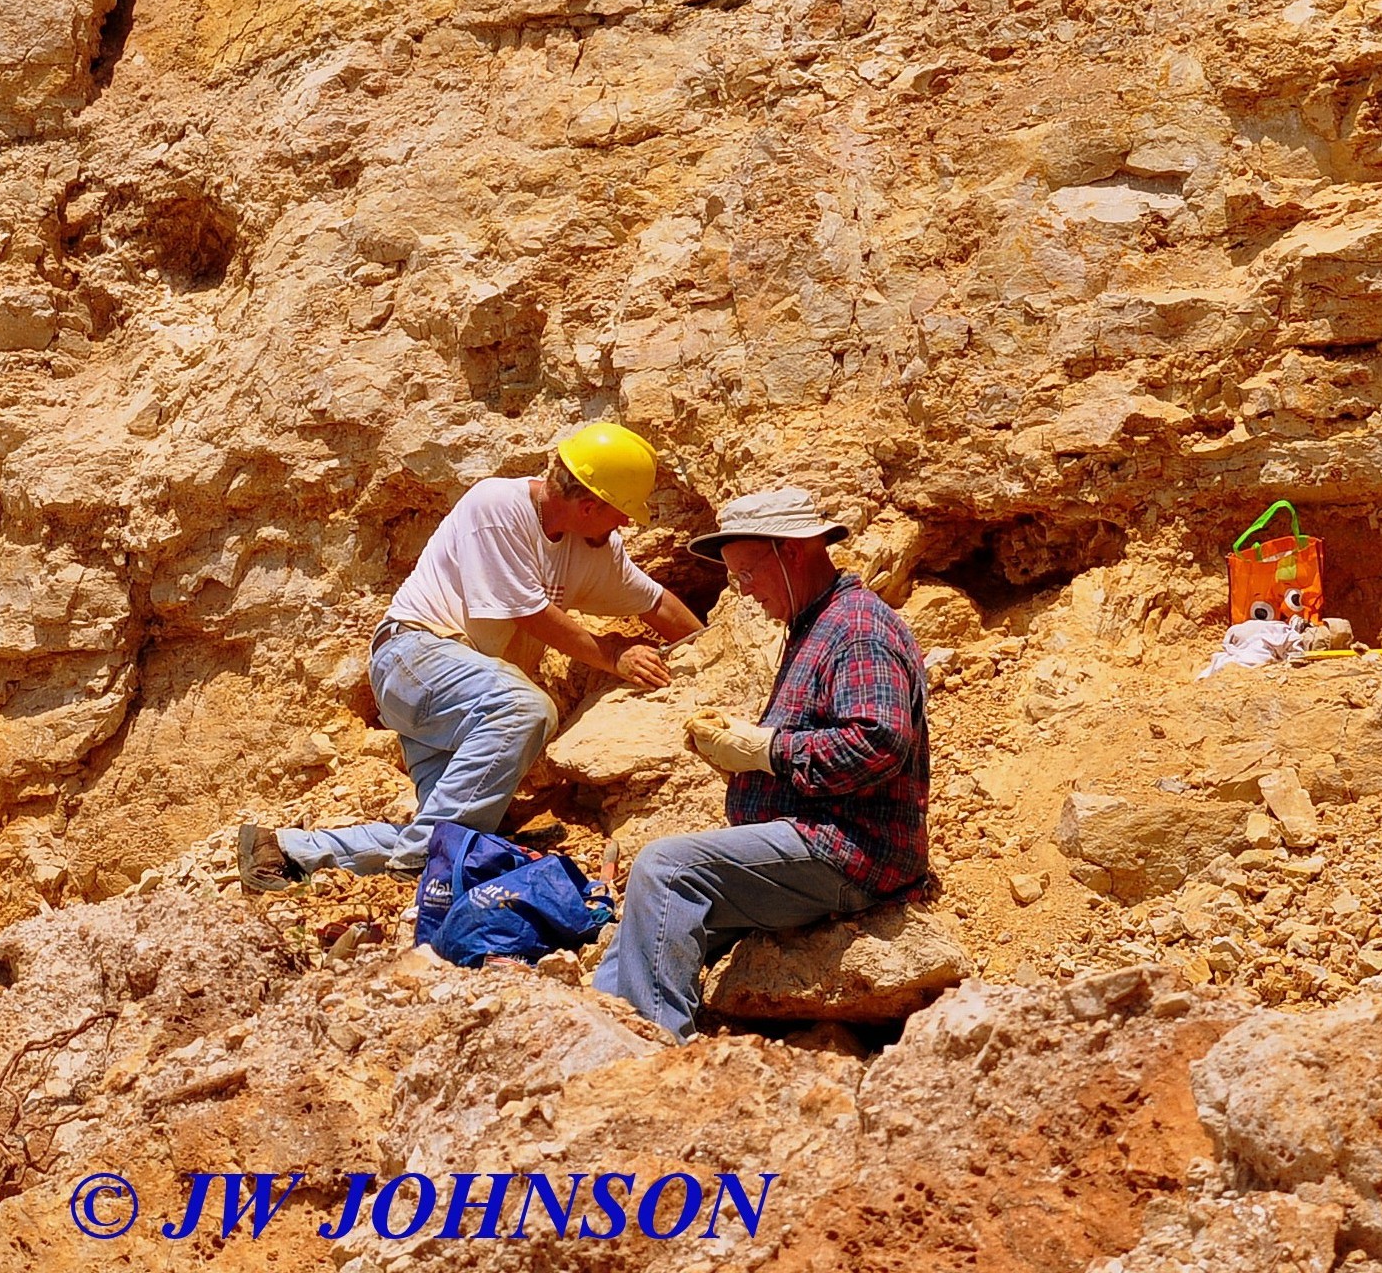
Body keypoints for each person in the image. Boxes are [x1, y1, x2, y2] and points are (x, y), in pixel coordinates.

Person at [239, 422, 703, 887]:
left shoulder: (594, 549)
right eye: (621, 512)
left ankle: (287, 850)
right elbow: (529, 612)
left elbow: (656, 603)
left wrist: (711, 644)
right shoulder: (497, 506)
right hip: (414, 658)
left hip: (464, 697)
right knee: (526, 709)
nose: (625, 524)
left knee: (455, 833)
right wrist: (612, 654)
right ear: (589, 505)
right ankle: (425, 862)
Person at [591, 486, 930, 1041]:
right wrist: (741, 753)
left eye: (747, 574)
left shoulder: (857, 628)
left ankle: (651, 1056)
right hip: (818, 840)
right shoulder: (814, 625)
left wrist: (767, 751)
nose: (744, 592)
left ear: (791, 551)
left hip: (849, 849)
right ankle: (603, 1043)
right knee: (643, 927)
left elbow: (879, 743)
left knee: (666, 871)